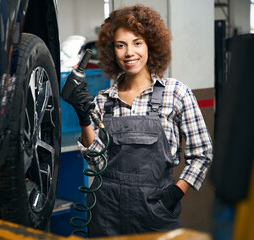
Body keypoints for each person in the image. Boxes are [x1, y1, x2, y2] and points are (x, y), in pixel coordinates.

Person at [64, 4, 213, 237]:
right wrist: (83, 116)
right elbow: (97, 164)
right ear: (112, 51)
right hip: (106, 212)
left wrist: (177, 191)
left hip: (156, 209)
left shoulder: (176, 93)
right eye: (120, 45)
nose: (129, 52)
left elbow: (202, 153)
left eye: (137, 43)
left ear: (151, 45)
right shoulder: (103, 100)